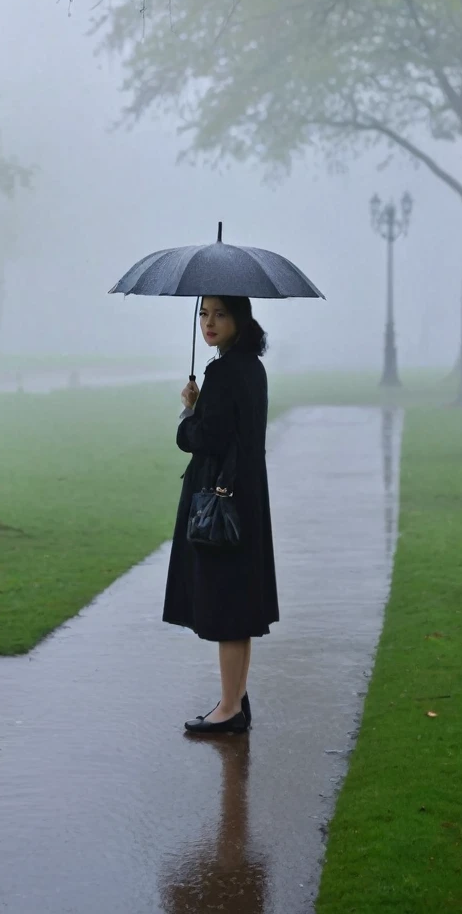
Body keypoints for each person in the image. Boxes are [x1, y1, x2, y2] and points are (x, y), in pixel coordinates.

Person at [162, 295, 279, 734]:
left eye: (220, 314)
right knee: (240, 604)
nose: (208, 323)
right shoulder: (250, 366)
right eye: (203, 313)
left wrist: (189, 411)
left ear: (239, 318)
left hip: (222, 502)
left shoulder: (226, 371)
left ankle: (229, 708)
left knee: (229, 605)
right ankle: (236, 699)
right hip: (244, 497)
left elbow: (204, 437)